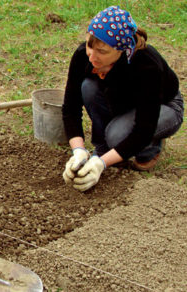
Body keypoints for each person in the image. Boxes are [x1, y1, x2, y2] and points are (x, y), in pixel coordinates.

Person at [62, 6, 184, 192]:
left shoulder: (147, 66)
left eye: (102, 51)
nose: (93, 57)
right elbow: (70, 108)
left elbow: (143, 129)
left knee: (117, 135)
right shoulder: (83, 56)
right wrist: (78, 150)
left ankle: (150, 148)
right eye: (89, 46)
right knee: (88, 86)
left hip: (163, 106)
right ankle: (103, 148)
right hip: (124, 100)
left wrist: (101, 164)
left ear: (122, 50)